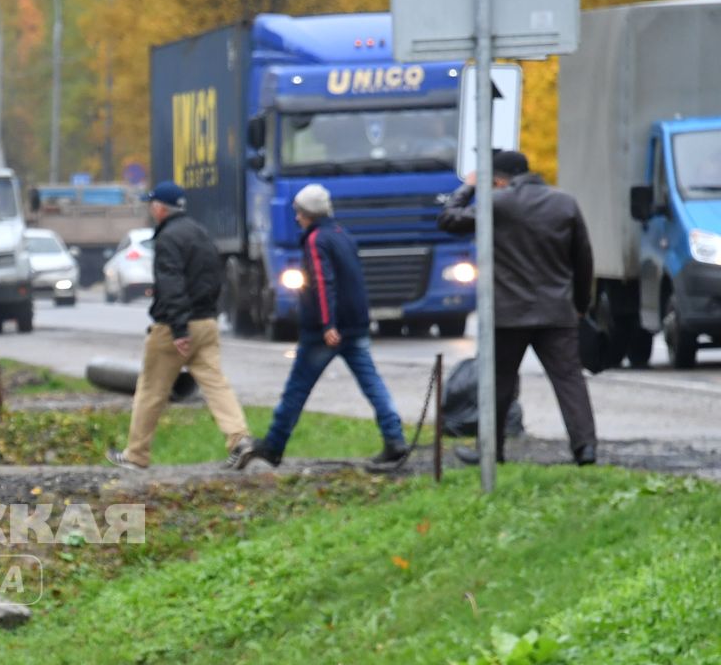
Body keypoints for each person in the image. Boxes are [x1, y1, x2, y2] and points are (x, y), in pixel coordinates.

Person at [438, 150, 598, 465]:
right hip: (557, 311)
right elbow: (583, 258)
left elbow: (448, 219)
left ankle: (490, 451)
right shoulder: (564, 202)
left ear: (498, 179)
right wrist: (580, 304)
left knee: (499, 382)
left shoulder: (498, 204)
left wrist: (469, 186)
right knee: (569, 380)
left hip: (508, 313)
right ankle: (585, 447)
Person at [242, 184, 410, 468]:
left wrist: (327, 323)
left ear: (308, 214)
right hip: (355, 326)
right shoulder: (343, 235)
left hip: (325, 331)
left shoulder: (316, 239)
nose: (296, 218)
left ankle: (273, 445)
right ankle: (395, 439)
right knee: (373, 385)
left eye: (298, 212)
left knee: (297, 388)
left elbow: (322, 282)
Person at [108, 182, 253, 470]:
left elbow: (171, 284)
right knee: (215, 384)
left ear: (161, 208)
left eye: (153, 204)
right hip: (207, 323)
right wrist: (207, 315)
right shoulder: (201, 233)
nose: (151, 209)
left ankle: (136, 454)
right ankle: (240, 440)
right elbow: (216, 278)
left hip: (175, 327)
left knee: (151, 389)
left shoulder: (167, 239)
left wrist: (179, 329)